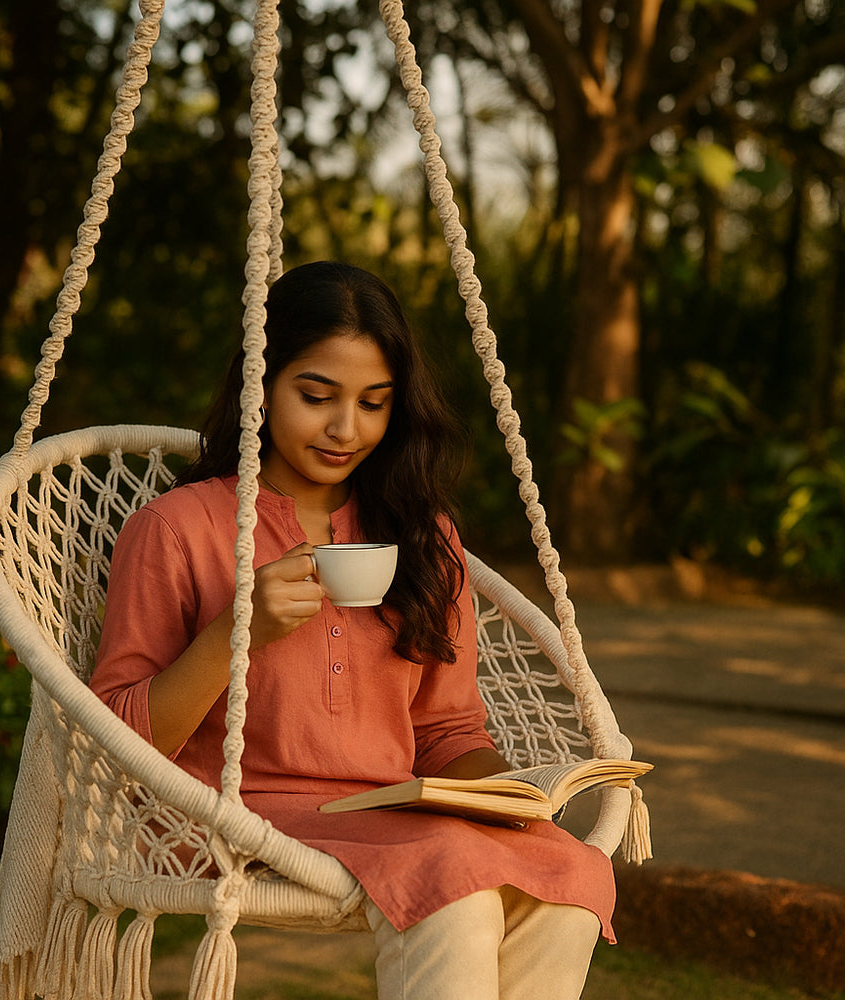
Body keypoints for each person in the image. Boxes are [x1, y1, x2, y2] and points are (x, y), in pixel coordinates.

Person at [90, 261, 614, 1000]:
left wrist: (506, 797)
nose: (346, 429)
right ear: (260, 385)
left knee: (567, 876)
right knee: (456, 884)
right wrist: (237, 632)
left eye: (374, 403)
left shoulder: (421, 535)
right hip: (232, 812)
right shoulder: (177, 530)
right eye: (316, 397)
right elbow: (117, 738)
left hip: (390, 814)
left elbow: (446, 729)